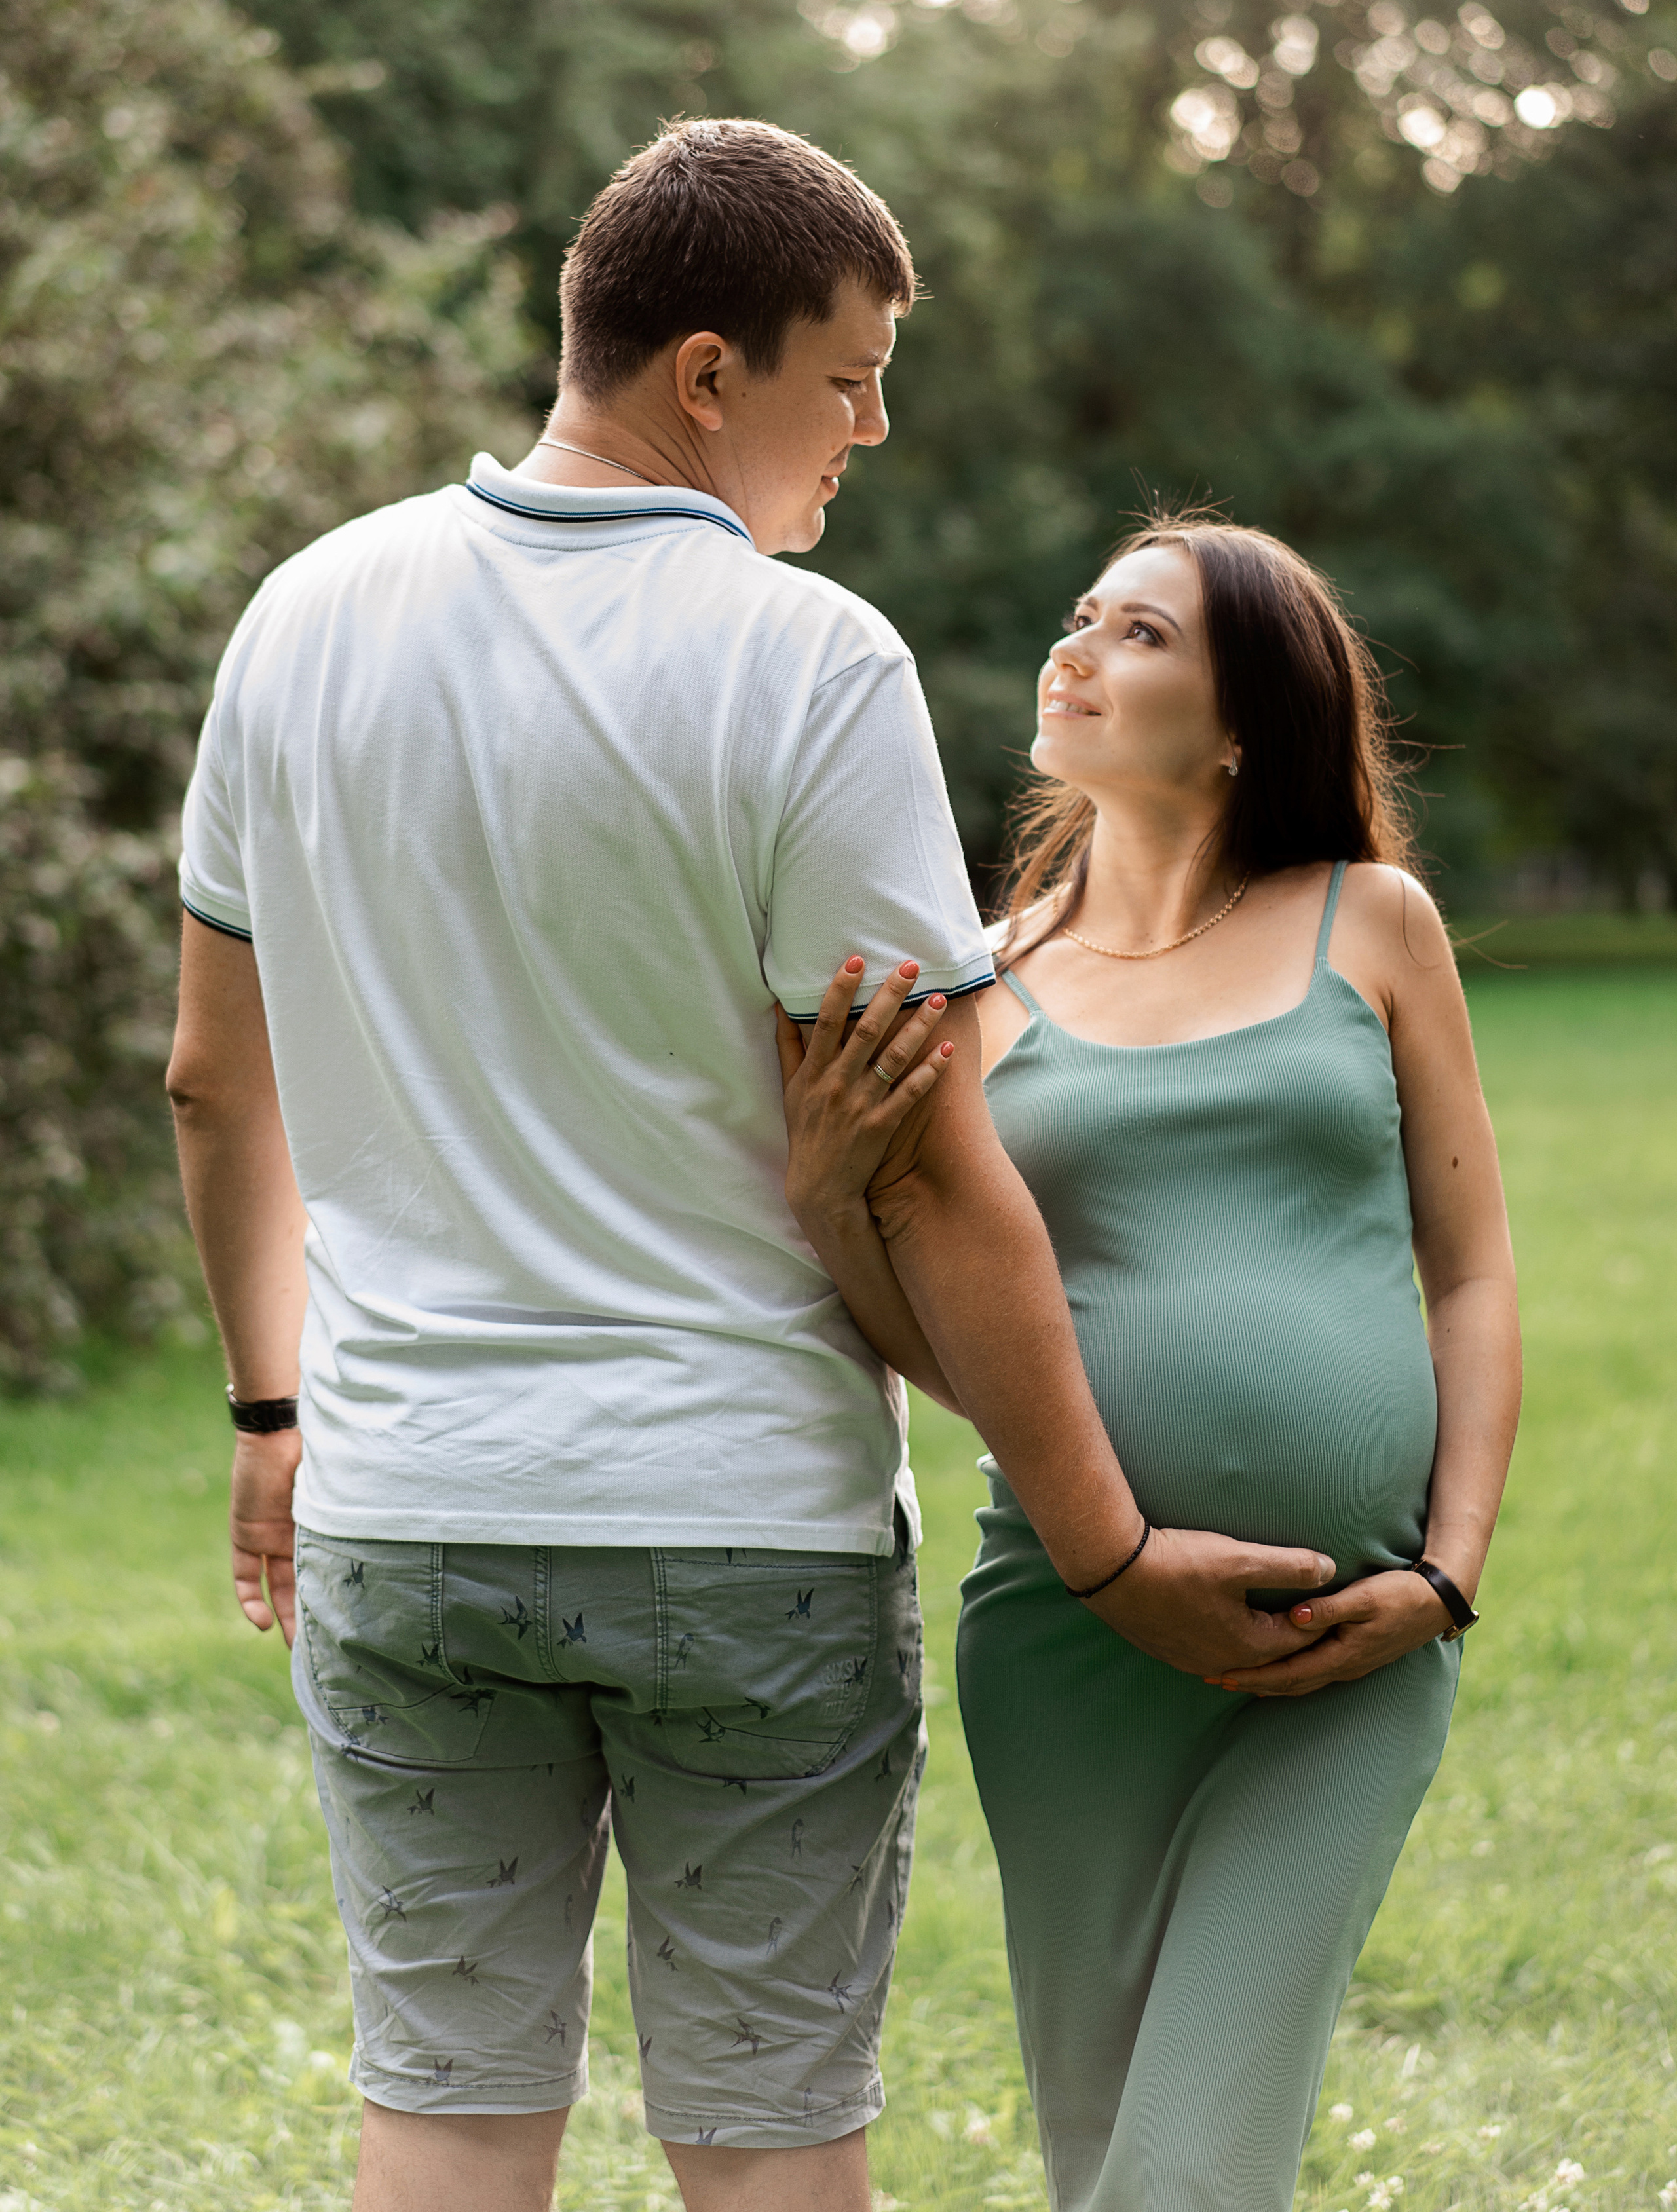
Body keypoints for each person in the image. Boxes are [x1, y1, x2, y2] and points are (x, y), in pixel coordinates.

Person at [165, 128, 1337, 2212]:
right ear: (710, 374)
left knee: (443, 2122)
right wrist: (1105, 1550)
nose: (871, 429)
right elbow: (931, 1172)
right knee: (771, 2143)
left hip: (410, 1510)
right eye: (850, 379)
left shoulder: (301, 616)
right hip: (742, 1526)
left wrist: (274, 1412)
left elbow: (209, 1085)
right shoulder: (809, 660)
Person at [776, 516, 1522, 2212]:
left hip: (1347, 1639)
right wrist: (828, 1204)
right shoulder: (985, 980)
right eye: (1083, 618)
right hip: (1073, 1632)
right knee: (1102, 2148)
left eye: (1142, 633)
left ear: (1247, 717)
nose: (1078, 650)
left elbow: (1472, 1273)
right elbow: (963, 1344)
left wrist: (1451, 1573)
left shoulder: (1373, 924)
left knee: (1193, 2168)